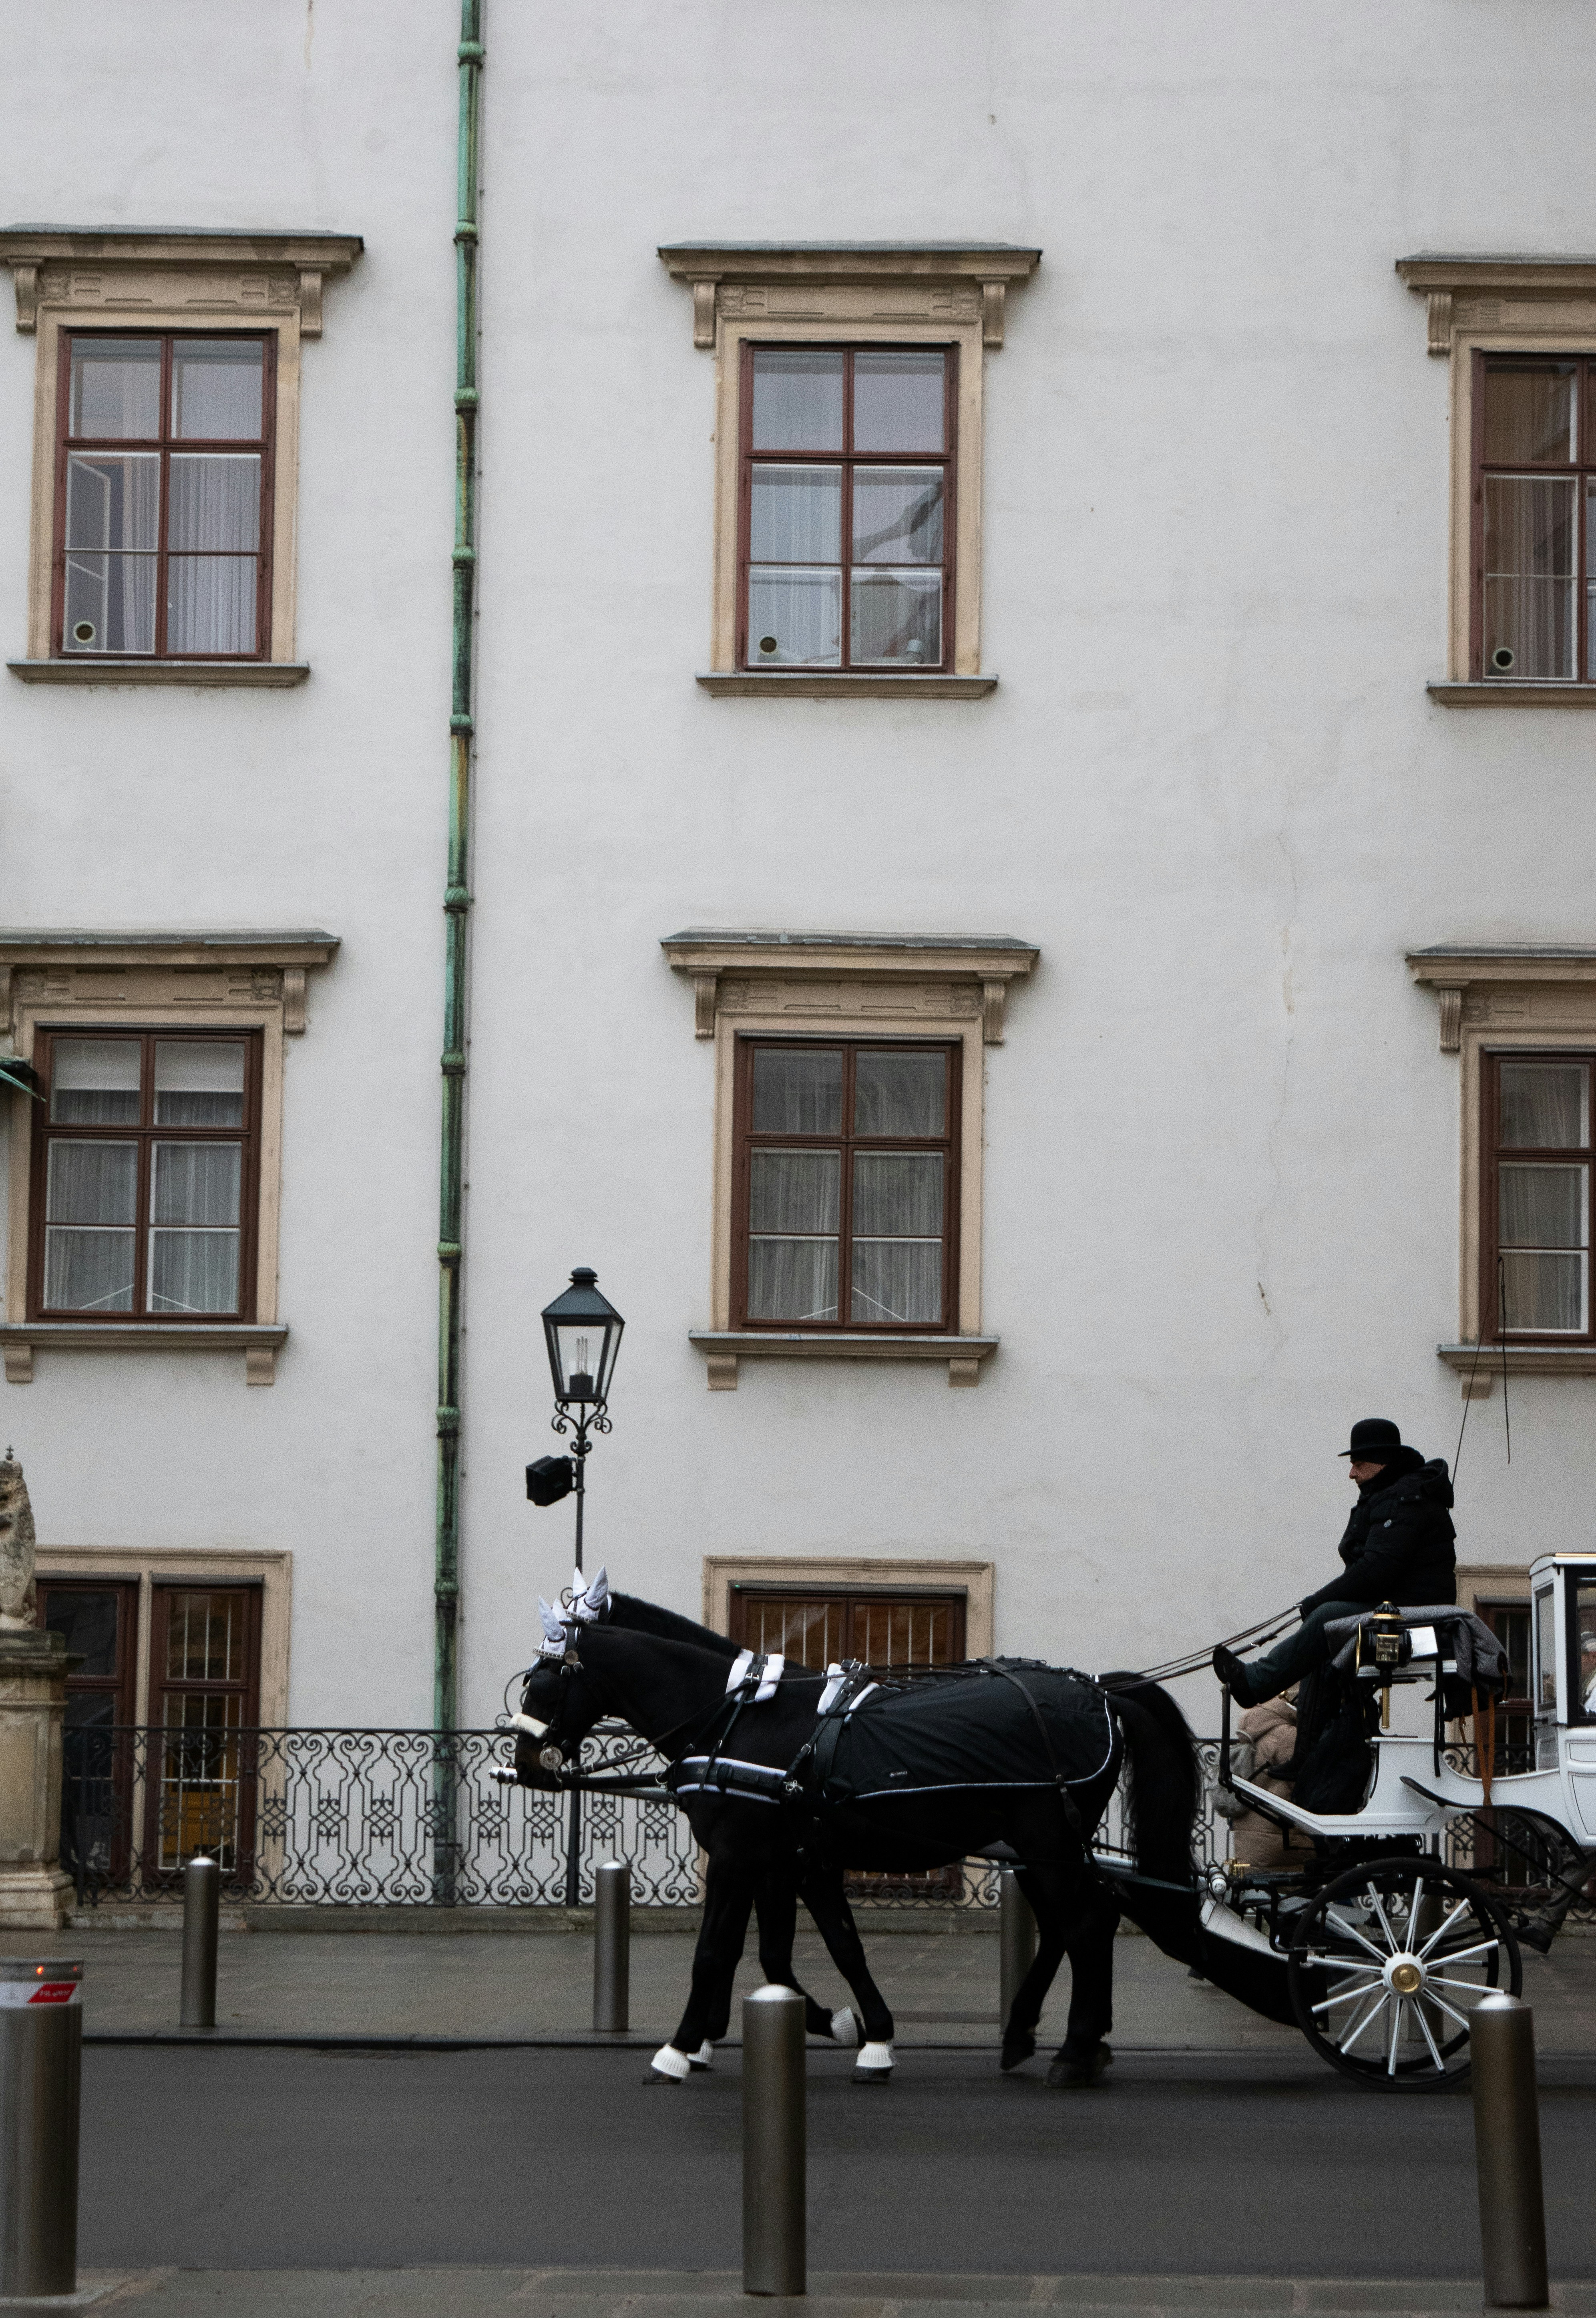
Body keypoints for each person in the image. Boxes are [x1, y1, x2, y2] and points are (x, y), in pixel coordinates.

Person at [1213, 1417, 1456, 1708]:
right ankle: (1316, 1721)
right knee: (1327, 1620)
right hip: (1396, 1604)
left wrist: (1317, 1600)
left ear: (1383, 1462)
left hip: (1414, 1611)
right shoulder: (1392, 1496)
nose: (1352, 1474)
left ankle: (1256, 1682)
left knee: (1327, 1618)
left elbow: (1375, 1571)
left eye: (1359, 1464)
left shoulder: (1404, 1499)